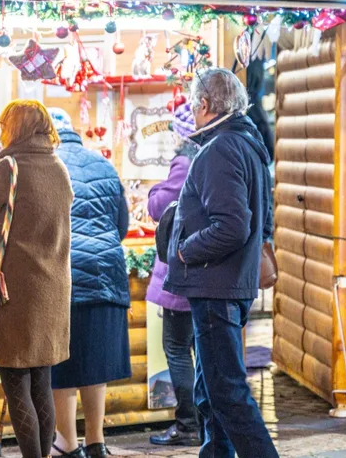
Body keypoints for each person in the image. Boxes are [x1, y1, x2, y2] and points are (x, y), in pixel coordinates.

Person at [163, 67, 278, 458]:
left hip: (216, 285)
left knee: (227, 391)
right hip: (229, 283)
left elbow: (232, 225)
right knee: (211, 390)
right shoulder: (248, 144)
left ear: (206, 104)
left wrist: (185, 250)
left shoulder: (221, 148)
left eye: (194, 104)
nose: (192, 111)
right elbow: (261, 221)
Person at [0, 100, 74, 458]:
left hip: (14, 294)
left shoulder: (8, 168)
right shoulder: (58, 167)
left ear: (14, 128)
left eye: (3, 124)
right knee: (41, 385)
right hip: (53, 292)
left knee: (16, 386)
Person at [46, 108, 131, 458]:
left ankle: (66, 443)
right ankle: (96, 441)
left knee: (62, 363)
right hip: (107, 275)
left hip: (63, 279)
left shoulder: (44, 166)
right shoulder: (104, 165)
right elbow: (121, 224)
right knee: (95, 362)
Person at [145, 101, 202, 448]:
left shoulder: (184, 163)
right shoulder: (212, 158)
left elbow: (157, 205)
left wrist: (153, 190)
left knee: (178, 349)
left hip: (181, 273)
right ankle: (203, 422)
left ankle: (187, 425)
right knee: (196, 347)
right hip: (201, 271)